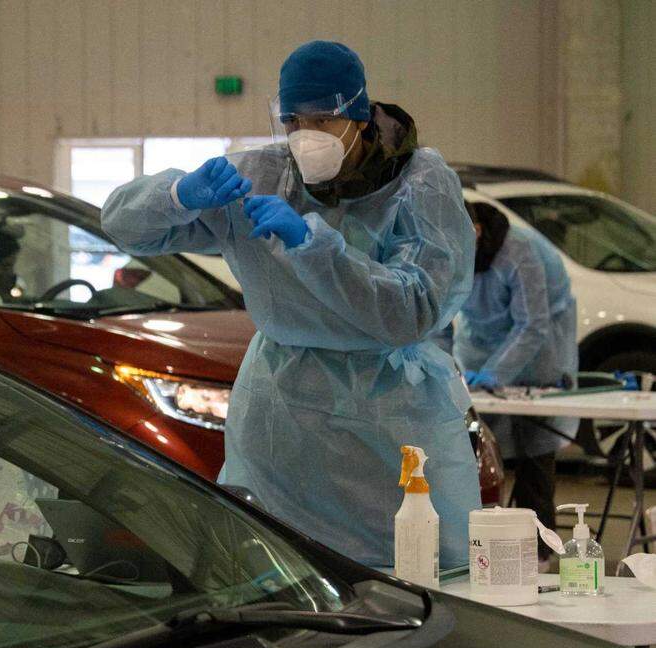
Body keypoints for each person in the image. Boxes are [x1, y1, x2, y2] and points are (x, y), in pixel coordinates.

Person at [101, 40, 479, 567]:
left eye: (323, 120)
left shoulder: (418, 183)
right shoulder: (262, 175)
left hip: (390, 415)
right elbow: (122, 226)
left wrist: (314, 248)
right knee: (278, 566)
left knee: (412, 564)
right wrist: (177, 196)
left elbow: (411, 310)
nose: (306, 136)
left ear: (360, 116)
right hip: (281, 410)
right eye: (293, 120)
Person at [454, 201, 578, 563]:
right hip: (478, 346)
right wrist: (444, 365)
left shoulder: (518, 250)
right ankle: (477, 546)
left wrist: (496, 373)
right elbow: (438, 316)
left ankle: (539, 551)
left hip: (537, 347)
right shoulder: (448, 247)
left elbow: (532, 324)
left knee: (534, 448)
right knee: (476, 449)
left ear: (476, 230)